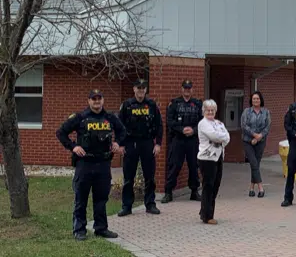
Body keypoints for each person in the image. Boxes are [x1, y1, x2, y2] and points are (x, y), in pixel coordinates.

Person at [55, 89, 126, 241]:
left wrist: (117, 143)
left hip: (103, 164)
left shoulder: (110, 118)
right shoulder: (80, 118)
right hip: (85, 164)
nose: (96, 101)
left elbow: (123, 132)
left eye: (99, 98)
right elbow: (61, 132)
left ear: (103, 100)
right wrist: (73, 146)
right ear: (89, 101)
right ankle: (79, 230)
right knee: (81, 198)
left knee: (101, 199)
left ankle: (101, 228)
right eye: (93, 99)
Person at [117, 79, 162, 217]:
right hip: (131, 143)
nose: (141, 90)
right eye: (138, 88)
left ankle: (150, 204)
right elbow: (119, 126)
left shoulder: (152, 105)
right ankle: (127, 206)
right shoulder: (127, 105)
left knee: (150, 176)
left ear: (146, 90)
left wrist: (158, 144)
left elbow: (159, 125)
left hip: (147, 143)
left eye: (143, 88)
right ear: (134, 89)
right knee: (128, 177)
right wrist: (120, 144)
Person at [162, 80, 203, 203]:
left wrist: (194, 130)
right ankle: (168, 192)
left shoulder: (197, 104)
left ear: (192, 90)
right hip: (178, 140)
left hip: (192, 140)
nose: (187, 90)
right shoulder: (174, 104)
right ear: (181, 89)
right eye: (185, 88)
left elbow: (202, 122)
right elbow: (170, 122)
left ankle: (194, 192)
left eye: (189, 88)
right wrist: (182, 129)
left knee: (194, 166)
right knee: (174, 165)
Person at [197, 99, 230, 225]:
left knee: (216, 185)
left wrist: (221, 137)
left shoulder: (218, 123)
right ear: (204, 111)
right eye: (208, 110)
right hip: (207, 158)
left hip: (218, 157)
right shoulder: (203, 123)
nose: (210, 112)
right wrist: (220, 136)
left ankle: (205, 211)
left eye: (212, 110)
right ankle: (207, 216)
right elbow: (214, 136)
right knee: (208, 186)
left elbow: (227, 137)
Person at [240, 91, 271, 197]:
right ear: (251, 100)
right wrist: (254, 135)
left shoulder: (266, 112)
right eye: (254, 99)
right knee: (253, 163)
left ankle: (251, 188)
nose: (256, 100)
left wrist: (259, 137)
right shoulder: (246, 112)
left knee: (256, 165)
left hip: (260, 142)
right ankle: (261, 188)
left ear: (261, 100)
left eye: (257, 99)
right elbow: (244, 126)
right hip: (248, 141)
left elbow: (267, 127)